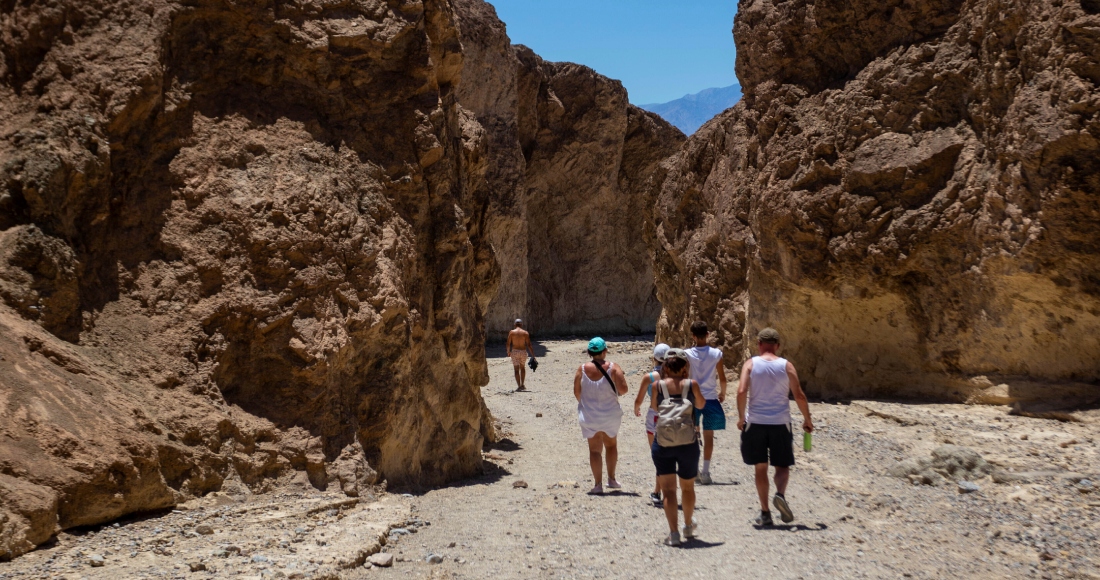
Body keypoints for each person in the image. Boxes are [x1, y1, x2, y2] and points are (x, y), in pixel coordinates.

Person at [736, 327, 814, 526]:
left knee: (760, 467)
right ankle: (780, 494)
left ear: (759, 344)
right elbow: (799, 395)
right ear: (777, 346)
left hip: (755, 422)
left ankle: (765, 512)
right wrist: (807, 419)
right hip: (780, 423)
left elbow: (742, 390)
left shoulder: (750, 364)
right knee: (782, 465)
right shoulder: (786, 366)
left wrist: (741, 417)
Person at [650, 348, 706, 546]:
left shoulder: (657, 386)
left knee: (668, 491)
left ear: (665, 366)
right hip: (688, 443)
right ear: (684, 367)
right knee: (687, 488)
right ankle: (688, 525)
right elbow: (701, 405)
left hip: (663, 443)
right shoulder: (692, 384)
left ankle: (673, 533)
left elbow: (655, 408)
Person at [574, 337, 629, 494]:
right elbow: (624, 390)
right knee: (611, 445)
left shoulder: (581, 369)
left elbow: (577, 392)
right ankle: (611, 479)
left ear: (589, 352)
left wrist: (586, 404)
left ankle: (597, 485)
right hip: (610, 414)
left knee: (594, 450)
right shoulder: (614, 367)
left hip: (589, 416)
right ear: (605, 351)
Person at [684, 321, 727, 485]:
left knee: (692, 435)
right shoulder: (716, 354)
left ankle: (694, 470)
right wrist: (722, 393)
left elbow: (685, 375)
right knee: (709, 436)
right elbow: (722, 377)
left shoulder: (687, 354)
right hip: (710, 398)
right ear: (708, 334)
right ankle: (706, 472)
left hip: (693, 398)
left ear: (693, 336)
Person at [634, 343, 670, 507]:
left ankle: (658, 491)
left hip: (654, 416)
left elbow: (639, 399)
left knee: (658, 455)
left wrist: (636, 408)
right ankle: (664, 490)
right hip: (671, 415)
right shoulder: (676, 375)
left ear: (654, 357)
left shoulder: (649, 377)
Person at [506, 319, 535, 391]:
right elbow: (529, 345)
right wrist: (533, 355)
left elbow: (508, 343)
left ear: (514, 325)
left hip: (515, 352)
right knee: (522, 368)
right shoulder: (525, 333)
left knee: (516, 369)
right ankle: (522, 384)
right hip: (523, 352)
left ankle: (519, 386)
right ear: (521, 325)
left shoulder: (512, 332)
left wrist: (508, 351)